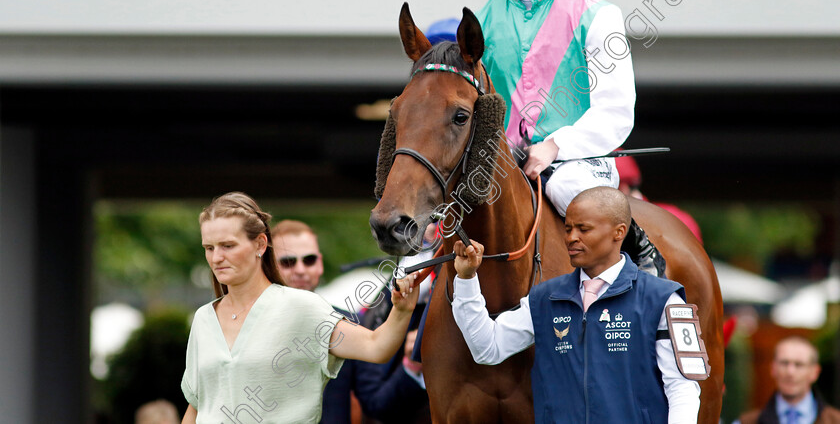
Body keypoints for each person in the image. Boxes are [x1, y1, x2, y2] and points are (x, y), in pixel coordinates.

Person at [473, 0, 664, 275]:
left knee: (565, 189)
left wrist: (555, 146)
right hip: (504, 162)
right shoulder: (483, 19)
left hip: (577, 162)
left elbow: (614, 111)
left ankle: (642, 263)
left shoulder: (599, 14)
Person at [451, 186, 700, 423]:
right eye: (568, 228)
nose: (571, 238)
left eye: (584, 229)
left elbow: (683, 389)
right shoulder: (544, 298)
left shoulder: (664, 298)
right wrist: (466, 279)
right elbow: (487, 348)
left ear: (619, 232)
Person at [181, 192, 419, 424]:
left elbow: (376, 347)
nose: (216, 258)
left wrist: (402, 310)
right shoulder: (203, 318)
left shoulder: (301, 307)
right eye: (209, 248)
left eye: (227, 246)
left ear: (260, 245)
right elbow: (197, 407)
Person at [270, 218, 431, 424]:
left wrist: (412, 364)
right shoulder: (244, 323)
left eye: (309, 260)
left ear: (319, 264)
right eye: (288, 261)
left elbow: (379, 405)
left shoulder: (349, 324)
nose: (301, 269)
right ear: (269, 266)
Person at [736, 336, 840, 424]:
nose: (790, 372)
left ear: (815, 372)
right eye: (784, 363)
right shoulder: (747, 421)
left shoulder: (835, 420)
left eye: (799, 365)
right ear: (773, 369)